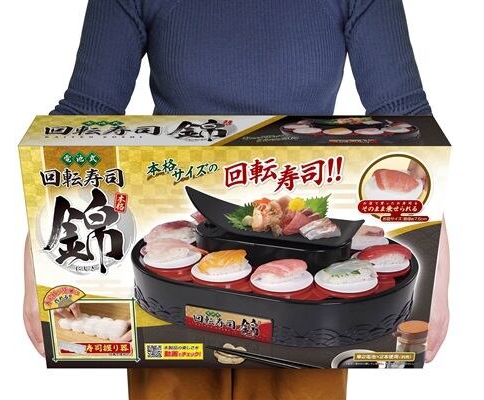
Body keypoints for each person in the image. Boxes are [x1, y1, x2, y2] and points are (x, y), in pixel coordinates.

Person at [24, 1, 449, 399]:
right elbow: (84, 114)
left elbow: (409, 121)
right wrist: (40, 254)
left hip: (306, 251)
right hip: (186, 235)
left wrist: (436, 267)